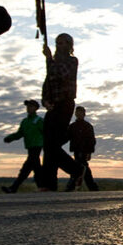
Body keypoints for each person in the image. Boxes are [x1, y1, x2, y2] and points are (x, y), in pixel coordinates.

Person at [38, 33, 82, 192]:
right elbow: (47, 83)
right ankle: (48, 184)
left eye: (64, 43)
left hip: (65, 104)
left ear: (70, 45)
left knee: (51, 145)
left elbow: (61, 73)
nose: (60, 45)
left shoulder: (71, 61)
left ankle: (75, 170)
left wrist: (49, 59)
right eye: (58, 43)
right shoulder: (53, 63)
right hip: (53, 106)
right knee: (49, 145)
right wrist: (45, 101)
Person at [2, 99, 44, 193]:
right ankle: (41, 186)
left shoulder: (39, 120)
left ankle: (14, 187)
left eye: (31, 106)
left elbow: (46, 132)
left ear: (36, 108)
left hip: (37, 146)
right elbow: (20, 133)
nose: (28, 108)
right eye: (27, 106)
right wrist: (10, 138)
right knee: (34, 167)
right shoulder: (25, 121)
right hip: (29, 146)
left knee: (27, 167)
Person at [68, 106, 97, 191]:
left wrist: (90, 152)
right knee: (81, 168)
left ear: (84, 114)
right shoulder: (72, 126)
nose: (79, 114)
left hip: (84, 150)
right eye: (77, 112)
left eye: (81, 112)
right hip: (76, 150)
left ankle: (72, 186)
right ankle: (92, 187)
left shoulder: (88, 126)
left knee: (82, 168)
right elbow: (67, 136)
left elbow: (92, 140)